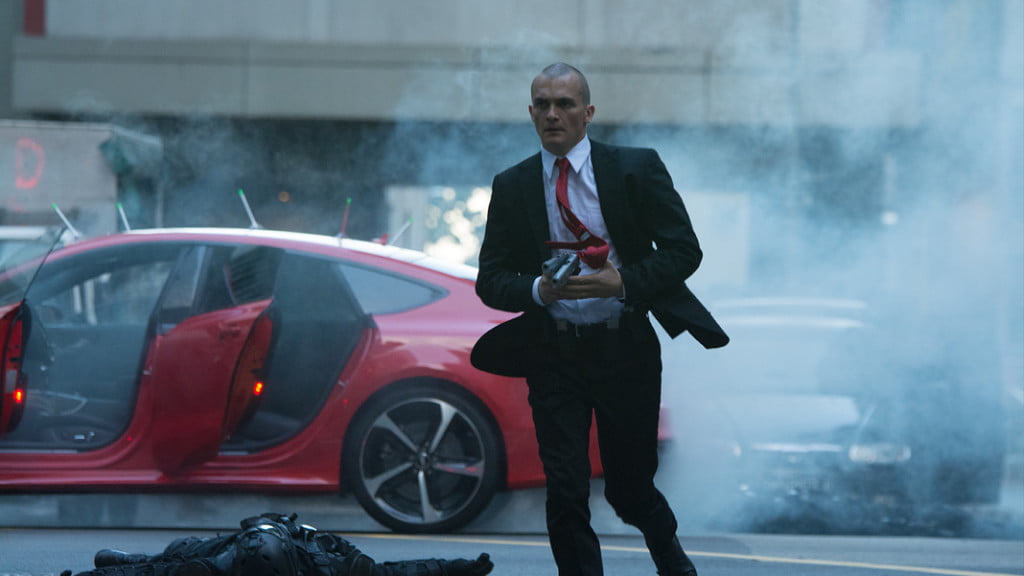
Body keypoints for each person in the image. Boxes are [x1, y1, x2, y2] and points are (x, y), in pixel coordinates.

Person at [472, 63, 728, 576]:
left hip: (625, 348)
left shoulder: (635, 168)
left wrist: (624, 282)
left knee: (629, 489)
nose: (552, 114)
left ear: (587, 113)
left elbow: (684, 251)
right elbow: (491, 280)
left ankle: (671, 557)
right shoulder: (513, 184)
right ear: (530, 113)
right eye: (542, 105)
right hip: (554, 352)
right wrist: (538, 289)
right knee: (565, 490)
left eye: (564, 104)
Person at [61, 512, 493, 576]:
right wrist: (458, 566)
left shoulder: (327, 559)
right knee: (176, 557)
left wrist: (462, 566)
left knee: (175, 560)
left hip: (261, 543)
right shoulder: (330, 564)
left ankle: (127, 558)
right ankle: (128, 556)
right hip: (248, 543)